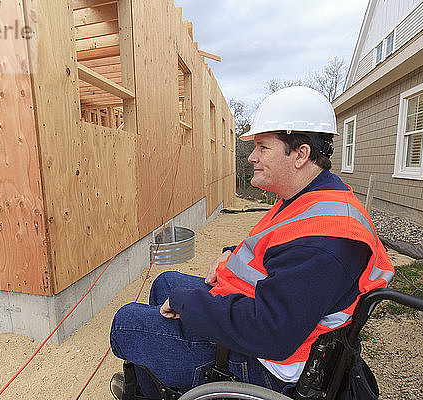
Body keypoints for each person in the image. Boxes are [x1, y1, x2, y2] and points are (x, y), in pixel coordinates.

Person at [109, 86, 394, 399]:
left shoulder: (326, 241)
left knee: (127, 324)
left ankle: (157, 384)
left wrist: (187, 303)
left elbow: (272, 333)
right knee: (165, 283)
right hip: (275, 318)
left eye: (263, 147)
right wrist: (230, 259)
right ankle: (164, 368)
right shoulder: (311, 197)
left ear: (301, 154)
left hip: (271, 365)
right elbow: (275, 250)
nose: (252, 157)